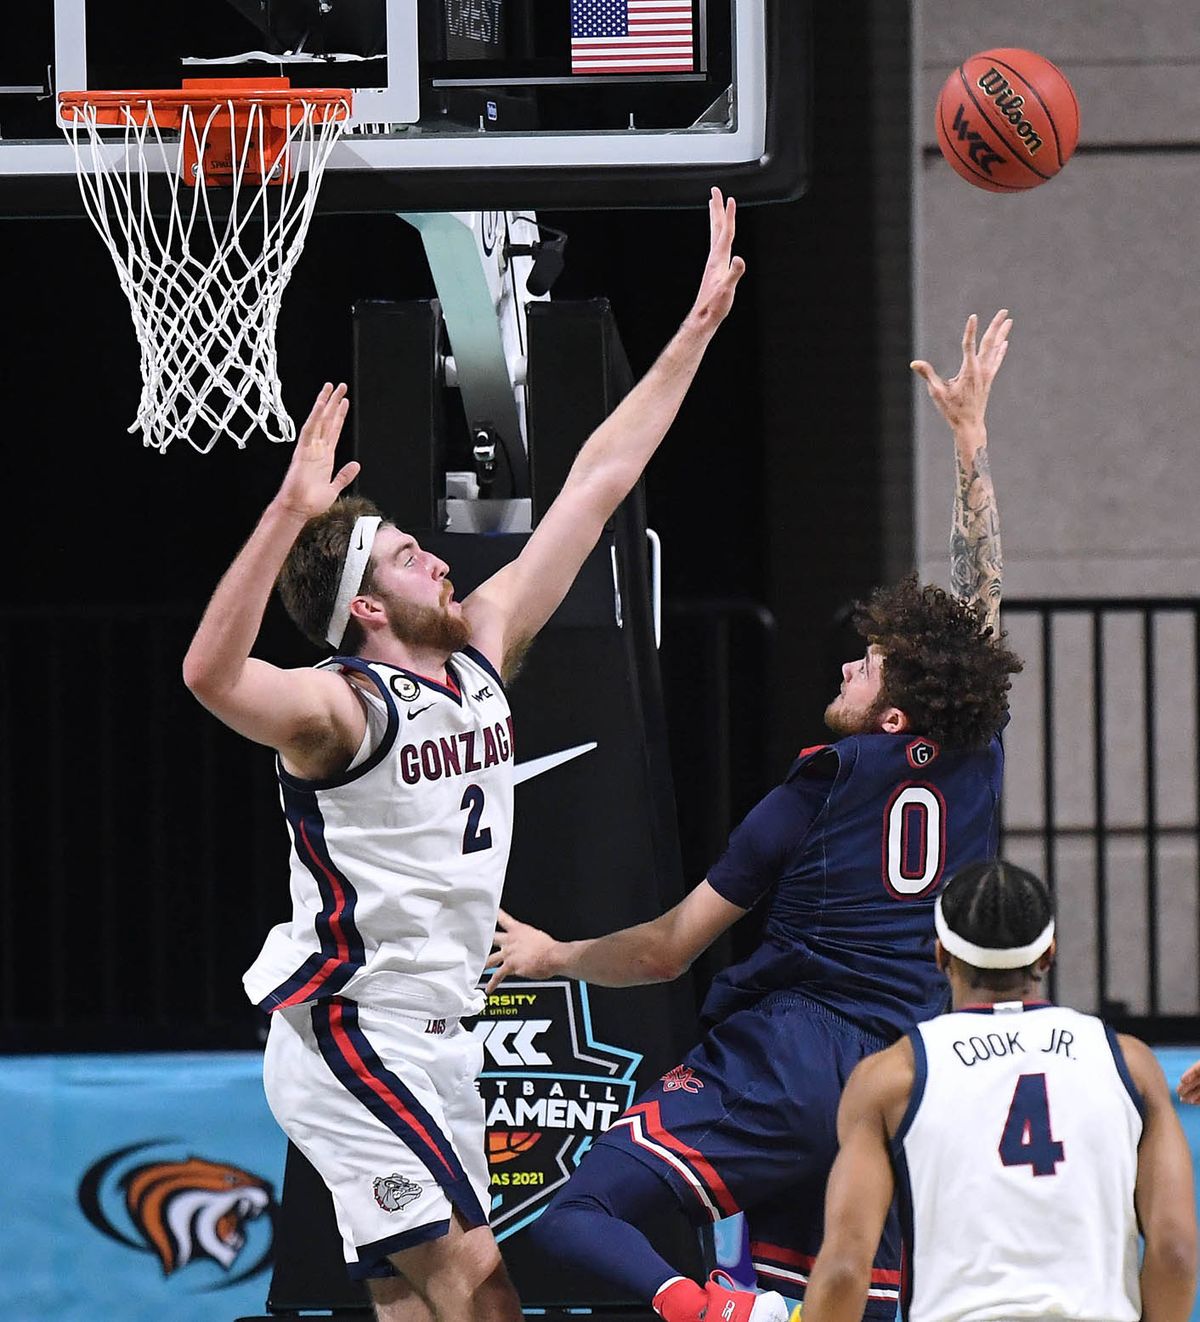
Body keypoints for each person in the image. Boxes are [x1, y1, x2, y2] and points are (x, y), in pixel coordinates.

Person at [181, 188, 745, 1322]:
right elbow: (209, 675)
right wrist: (289, 515)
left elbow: (596, 482)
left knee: (411, 1301)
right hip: (352, 1027)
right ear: (364, 608)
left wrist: (694, 330)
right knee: (481, 1291)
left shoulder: (483, 642)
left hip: (436, 1035)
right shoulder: (341, 708)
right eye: (401, 556)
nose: (432, 557)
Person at [487, 310, 1024, 1322]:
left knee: (575, 1212)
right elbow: (979, 600)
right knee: (849, 1304)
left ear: (895, 710)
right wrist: (970, 440)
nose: (847, 664)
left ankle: (714, 1312)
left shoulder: (813, 792)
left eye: (866, 667)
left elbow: (665, 952)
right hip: (914, 1077)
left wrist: (553, 955)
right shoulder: (972, 759)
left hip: (789, 1057)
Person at [801, 858, 1197, 1322]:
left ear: (941, 957)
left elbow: (845, 1270)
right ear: (1048, 954)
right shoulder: (1129, 1064)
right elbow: (1176, 1252)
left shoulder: (892, 1077)